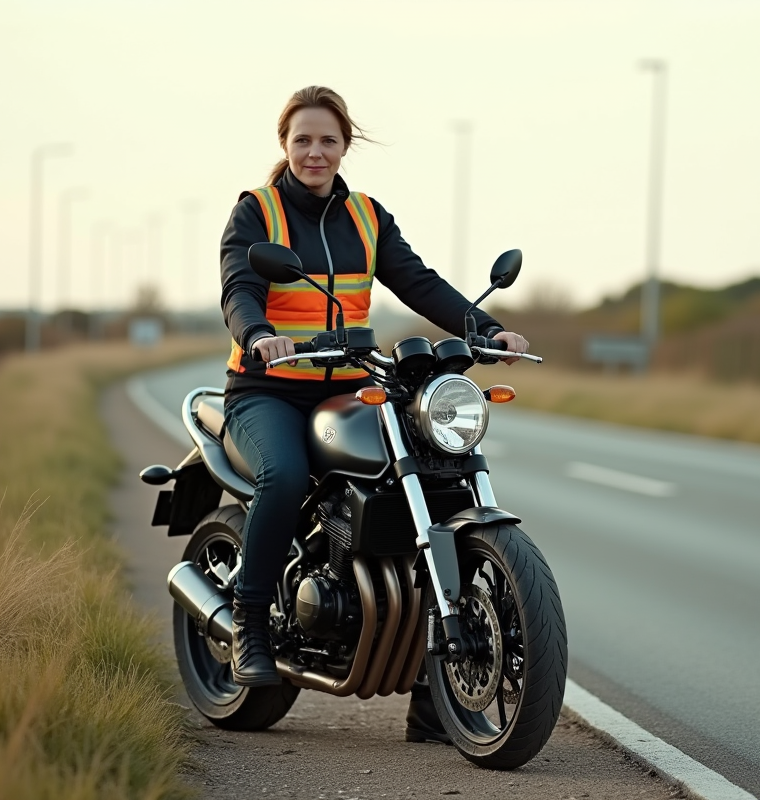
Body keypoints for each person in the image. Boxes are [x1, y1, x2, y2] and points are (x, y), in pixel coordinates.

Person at [218, 86, 528, 742]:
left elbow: (418, 282)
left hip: (350, 389)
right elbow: (240, 288)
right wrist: (257, 334)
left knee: (430, 479)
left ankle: (430, 694)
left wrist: (489, 329)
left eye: (327, 139)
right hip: (267, 388)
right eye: (302, 139)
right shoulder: (258, 214)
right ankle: (249, 625)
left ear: (344, 145)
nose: (315, 151)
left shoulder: (365, 216)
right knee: (285, 475)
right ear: (285, 145)